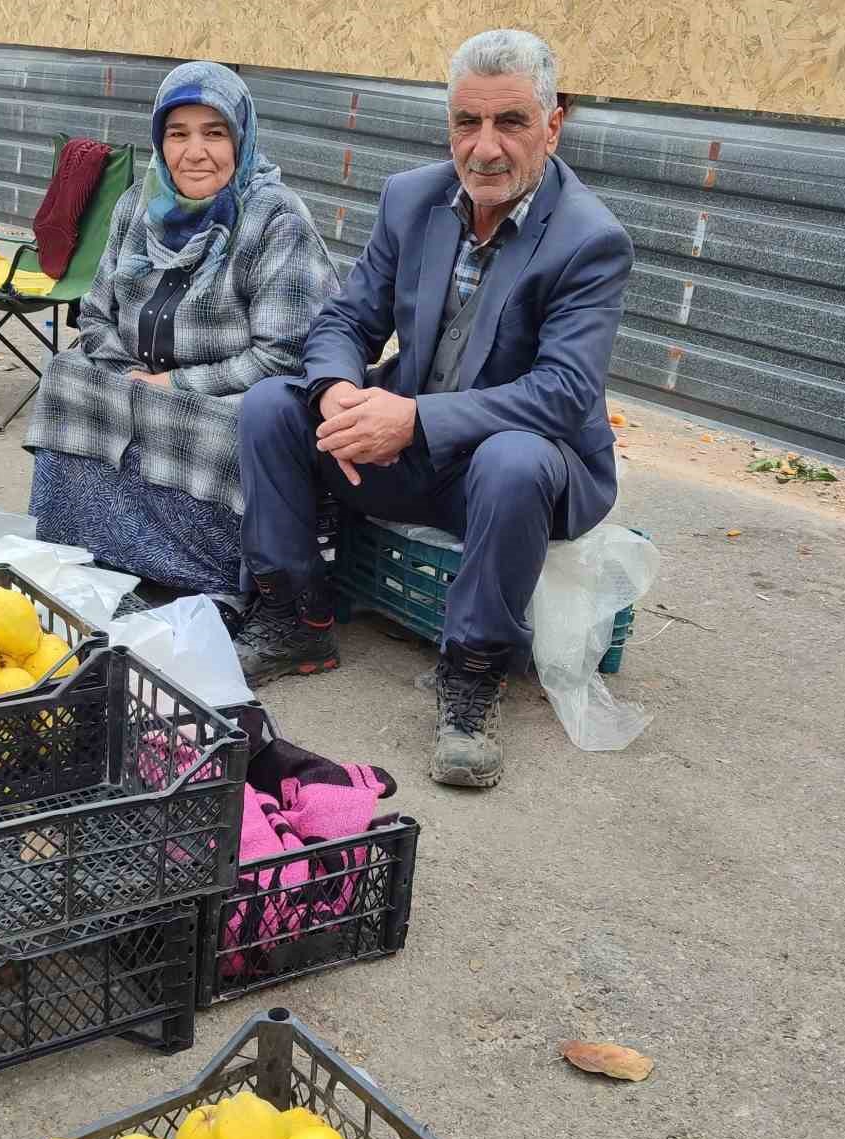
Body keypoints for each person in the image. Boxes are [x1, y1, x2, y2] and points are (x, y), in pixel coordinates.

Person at [233, 29, 634, 789]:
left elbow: (565, 391)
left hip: (512, 479)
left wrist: (415, 419)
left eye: (511, 122)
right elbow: (346, 322)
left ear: (554, 123)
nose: (484, 148)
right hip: (406, 452)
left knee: (513, 458)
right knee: (269, 408)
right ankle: (295, 618)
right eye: (465, 123)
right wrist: (340, 392)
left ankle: (474, 673)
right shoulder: (411, 198)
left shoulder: (590, 240)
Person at [25, 61, 337, 598]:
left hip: (231, 394)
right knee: (65, 374)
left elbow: (284, 356)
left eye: (214, 133)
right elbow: (96, 315)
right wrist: (130, 376)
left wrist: (172, 386)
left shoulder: (275, 219)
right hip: (138, 376)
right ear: (159, 141)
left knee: (231, 420)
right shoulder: (135, 206)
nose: (195, 152)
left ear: (242, 138)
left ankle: (205, 569)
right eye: (178, 134)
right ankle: (83, 538)